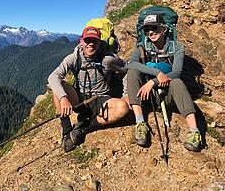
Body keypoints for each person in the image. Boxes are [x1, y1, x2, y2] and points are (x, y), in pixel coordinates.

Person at [127, 13, 202, 152]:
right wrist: (158, 74)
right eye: (146, 29)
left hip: (167, 93)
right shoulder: (141, 47)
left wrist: (153, 82)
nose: (150, 32)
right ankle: (140, 123)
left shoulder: (177, 48)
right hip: (147, 96)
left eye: (154, 27)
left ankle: (194, 132)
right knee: (133, 73)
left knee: (177, 82)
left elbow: (176, 72)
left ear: (164, 29)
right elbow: (131, 64)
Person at [48, 26, 130, 152]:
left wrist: (126, 94)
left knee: (122, 108)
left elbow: (127, 69)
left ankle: (85, 127)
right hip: (80, 98)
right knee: (58, 87)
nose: (90, 44)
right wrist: (63, 97)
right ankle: (66, 131)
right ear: (81, 41)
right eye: (87, 40)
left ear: (99, 43)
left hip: (101, 99)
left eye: (95, 41)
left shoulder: (108, 59)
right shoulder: (74, 58)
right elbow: (53, 77)